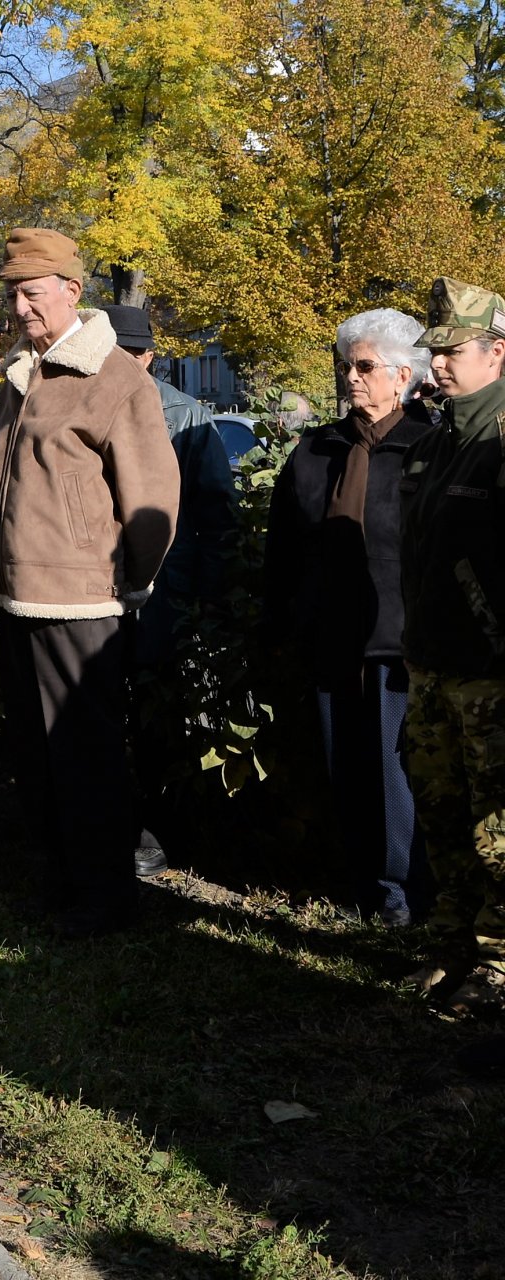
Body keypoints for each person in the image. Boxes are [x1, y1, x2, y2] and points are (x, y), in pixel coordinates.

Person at [0, 228, 178, 937]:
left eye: (31, 291)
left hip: (81, 599)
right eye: (11, 293)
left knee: (81, 752)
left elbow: (152, 501)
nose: (20, 306)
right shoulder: (20, 375)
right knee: (34, 749)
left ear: (71, 290)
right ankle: (63, 883)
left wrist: (122, 582)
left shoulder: (116, 378)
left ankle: (106, 899)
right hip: (14, 593)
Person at [265, 308, 434, 928]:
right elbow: (283, 546)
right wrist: (280, 624)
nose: (351, 378)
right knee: (348, 766)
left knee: (398, 772)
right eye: (346, 366)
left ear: (403, 375)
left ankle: (403, 893)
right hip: (332, 637)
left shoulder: (430, 447)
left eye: (365, 367)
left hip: (401, 640)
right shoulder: (316, 450)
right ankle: (363, 880)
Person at [102, 304, 242, 877]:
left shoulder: (186, 418)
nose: (122, 365)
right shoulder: (80, 404)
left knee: (160, 721)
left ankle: (159, 832)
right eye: (112, 354)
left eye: (131, 354)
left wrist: (206, 601)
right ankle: (109, 825)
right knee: (102, 714)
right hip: (95, 593)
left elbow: (218, 515)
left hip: (165, 597)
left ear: (149, 357)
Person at [397, 276, 505, 1016]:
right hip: (435, 662)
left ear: (496, 353)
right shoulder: (441, 439)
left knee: (498, 830)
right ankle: (455, 947)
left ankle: (499, 969)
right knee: (441, 812)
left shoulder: (498, 439)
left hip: (493, 675)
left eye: (452, 351)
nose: (438, 364)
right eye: (432, 351)